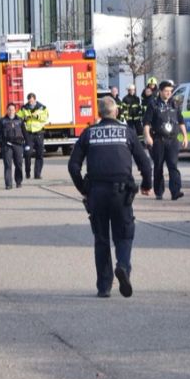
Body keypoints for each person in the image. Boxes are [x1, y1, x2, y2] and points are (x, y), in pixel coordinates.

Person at [68, 96, 152, 298]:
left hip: (96, 192)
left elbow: (73, 165)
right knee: (124, 235)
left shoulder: (89, 133)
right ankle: (122, 266)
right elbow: (145, 163)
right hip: (121, 193)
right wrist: (147, 185)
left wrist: (82, 188)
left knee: (101, 239)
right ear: (116, 112)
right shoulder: (127, 132)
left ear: (99, 114)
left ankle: (104, 287)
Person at [143, 80, 188, 201]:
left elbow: (181, 121)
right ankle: (159, 191)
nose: (168, 93)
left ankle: (176, 191)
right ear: (160, 91)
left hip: (172, 140)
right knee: (158, 166)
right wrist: (147, 136)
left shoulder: (175, 104)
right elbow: (146, 123)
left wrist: (185, 137)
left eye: (170, 91)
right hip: (158, 140)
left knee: (173, 165)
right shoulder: (153, 104)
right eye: (166, 91)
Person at [0, 102, 26, 189]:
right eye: (9, 109)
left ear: (15, 110)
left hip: (18, 145)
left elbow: (25, 133)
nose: (11, 111)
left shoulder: (20, 120)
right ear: (7, 110)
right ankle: (8, 184)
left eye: (12, 109)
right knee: (8, 165)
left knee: (19, 164)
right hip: (7, 145)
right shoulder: (2, 121)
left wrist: (28, 144)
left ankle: (18, 181)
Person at [19, 93, 49, 180]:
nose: (30, 103)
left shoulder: (42, 107)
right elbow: (18, 117)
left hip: (39, 133)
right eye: (29, 101)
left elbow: (45, 117)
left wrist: (37, 116)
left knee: (39, 154)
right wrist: (25, 118)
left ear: (35, 100)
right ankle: (27, 172)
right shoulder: (24, 108)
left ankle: (37, 174)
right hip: (28, 134)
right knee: (27, 154)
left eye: (32, 101)